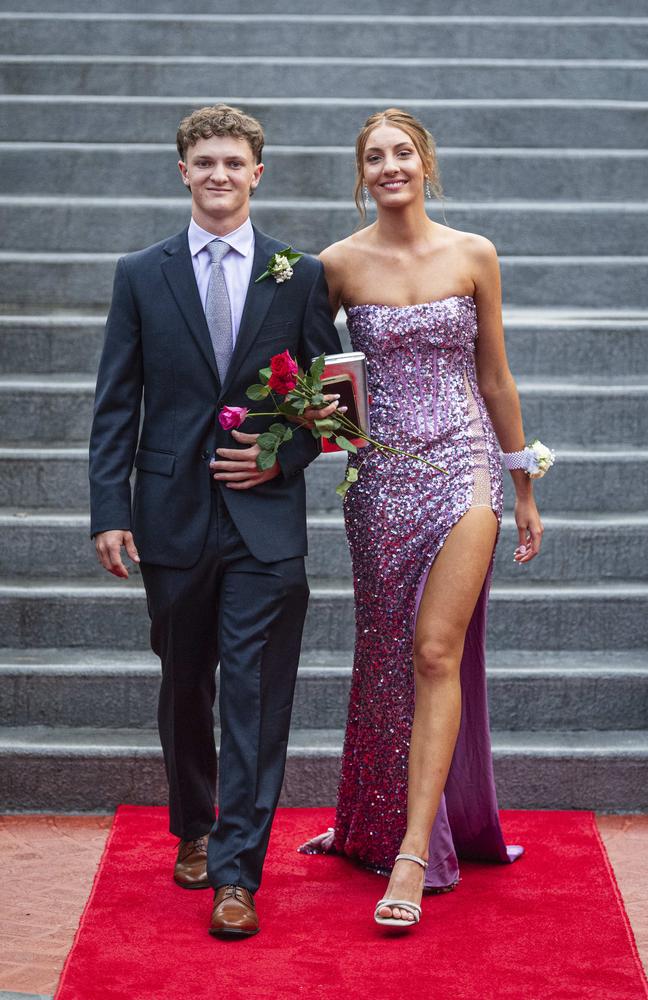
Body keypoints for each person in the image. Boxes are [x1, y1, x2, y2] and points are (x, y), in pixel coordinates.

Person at [89, 103, 341, 939]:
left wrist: (285, 457)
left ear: (257, 173)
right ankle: (194, 824)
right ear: (184, 173)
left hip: (266, 522)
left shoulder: (299, 275)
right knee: (185, 681)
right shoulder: (140, 272)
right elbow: (116, 403)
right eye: (206, 164)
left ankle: (238, 871)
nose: (221, 177)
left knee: (258, 697)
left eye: (235, 164)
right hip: (170, 517)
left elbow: (331, 406)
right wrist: (108, 509)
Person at [300, 107, 544, 929]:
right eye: (375, 157)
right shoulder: (334, 265)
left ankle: (413, 853)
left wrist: (523, 483)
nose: (390, 166)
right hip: (378, 481)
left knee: (436, 649)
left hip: (465, 466)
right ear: (361, 173)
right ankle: (368, 819)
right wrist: (324, 426)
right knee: (383, 650)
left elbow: (497, 376)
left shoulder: (474, 253)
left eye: (403, 152)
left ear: (426, 162)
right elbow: (311, 378)